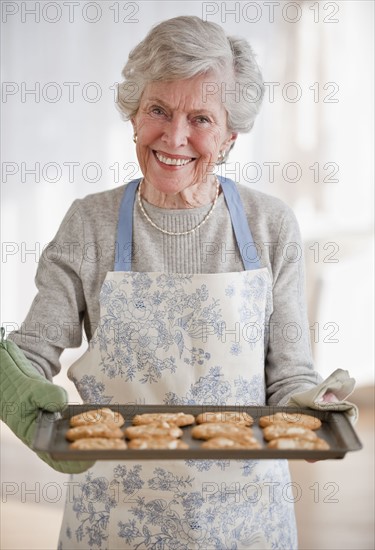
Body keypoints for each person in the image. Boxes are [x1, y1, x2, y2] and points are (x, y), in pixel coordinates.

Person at [2, 15, 326, 550]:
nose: (174, 137)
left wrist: (319, 406)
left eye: (201, 117)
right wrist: (19, 391)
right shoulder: (90, 223)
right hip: (113, 520)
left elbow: (289, 378)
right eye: (158, 109)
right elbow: (31, 354)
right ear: (133, 114)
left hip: (246, 522)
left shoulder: (271, 225)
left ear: (229, 135)